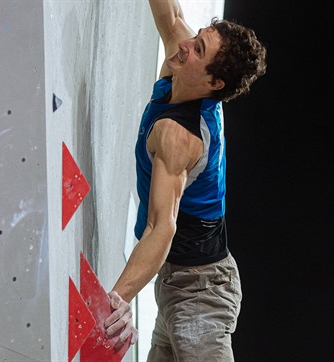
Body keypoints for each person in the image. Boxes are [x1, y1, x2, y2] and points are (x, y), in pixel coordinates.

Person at [103, 0, 267, 360]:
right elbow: (171, 16)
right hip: (180, 281)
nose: (185, 44)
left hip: (201, 294)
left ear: (214, 81)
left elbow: (161, 227)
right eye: (197, 37)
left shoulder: (180, 137)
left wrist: (116, 301)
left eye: (199, 49)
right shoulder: (184, 68)